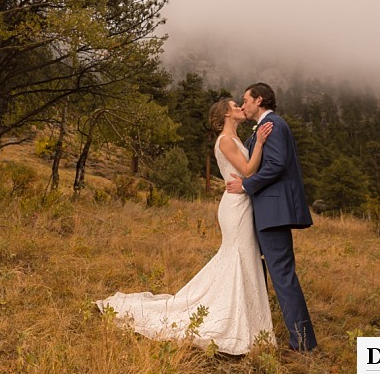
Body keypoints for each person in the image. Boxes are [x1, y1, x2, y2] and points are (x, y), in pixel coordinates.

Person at [95, 99, 275, 356]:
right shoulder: (225, 140)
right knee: (236, 255)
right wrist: (259, 143)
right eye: (235, 105)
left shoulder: (235, 138)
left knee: (243, 257)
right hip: (235, 206)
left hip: (242, 202)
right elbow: (247, 170)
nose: (239, 107)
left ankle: (247, 320)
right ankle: (226, 317)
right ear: (225, 112)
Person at [226, 82, 317, 352]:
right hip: (264, 211)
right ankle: (260, 328)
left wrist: (245, 186)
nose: (243, 105)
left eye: (246, 99)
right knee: (266, 272)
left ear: (260, 99)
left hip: (273, 212)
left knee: (283, 275)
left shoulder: (274, 125)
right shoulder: (263, 128)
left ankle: (303, 343)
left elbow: (276, 165)